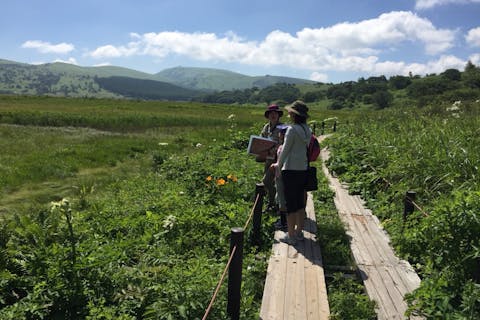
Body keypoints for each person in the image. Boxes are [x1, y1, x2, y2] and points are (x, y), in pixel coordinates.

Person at [274, 100, 311, 245]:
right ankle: (299, 232)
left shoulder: (291, 130)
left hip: (290, 170)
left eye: (290, 112)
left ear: (294, 114)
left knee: (291, 205)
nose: (289, 113)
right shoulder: (307, 130)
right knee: (300, 203)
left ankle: (290, 236)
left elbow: (285, 150)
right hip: (303, 169)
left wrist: (278, 165)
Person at [259, 104, 284, 212]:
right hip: (268, 159)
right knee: (270, 182)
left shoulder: (283, 128)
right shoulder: (266, 127)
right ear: (268, 115)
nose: (273, 115)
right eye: (271, 113)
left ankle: (275, 203)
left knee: (266, 181)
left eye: (275, 113)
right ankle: (273, 204)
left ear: (279, 115)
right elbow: (261, 139)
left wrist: (274, 148)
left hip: (278, 160)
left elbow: (284, 144)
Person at [269, 124, 289, 231]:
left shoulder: (282, 147)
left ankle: (283, 222)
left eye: (281, 133)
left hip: (280, 175)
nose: (279, 134)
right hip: (288, 175)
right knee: (284, 197)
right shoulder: (290, 147)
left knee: (281, 198)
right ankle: (286, 220)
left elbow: (280, 163)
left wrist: (274, 167)